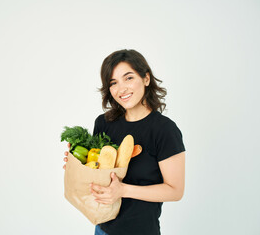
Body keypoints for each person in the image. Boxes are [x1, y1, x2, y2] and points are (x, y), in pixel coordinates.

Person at [63, 49, 186, 235]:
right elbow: (99, 173)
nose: (121, 89)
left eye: (128, 78)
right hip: (102, 229)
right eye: (113, 83)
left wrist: (123, 190)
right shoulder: (104, 123)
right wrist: (79, 165)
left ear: (146, 79)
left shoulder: (164, 130)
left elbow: (175, 191)